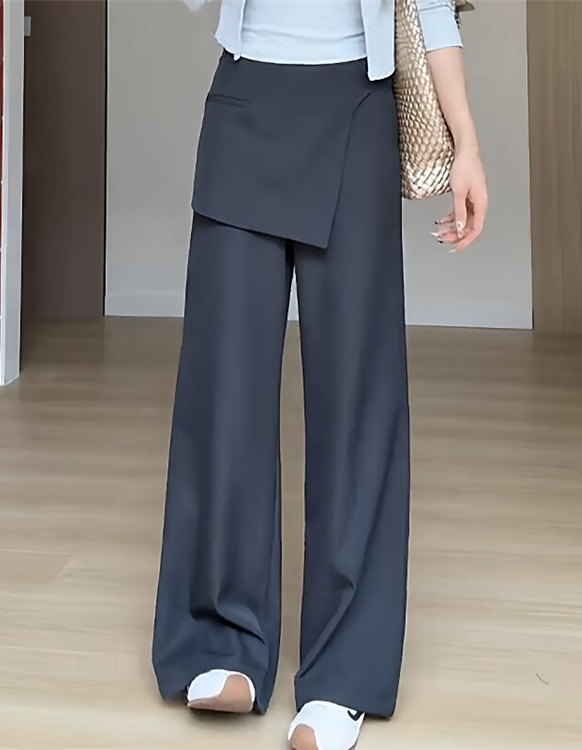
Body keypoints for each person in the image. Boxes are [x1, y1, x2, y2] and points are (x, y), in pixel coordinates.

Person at [152, 0, 488, 748]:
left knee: (356, 395)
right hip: (244, 99)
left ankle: (344, 672)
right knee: (224, 386)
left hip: (356, 107)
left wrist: (466, 141)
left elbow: (432, 7)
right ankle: (221, 637)